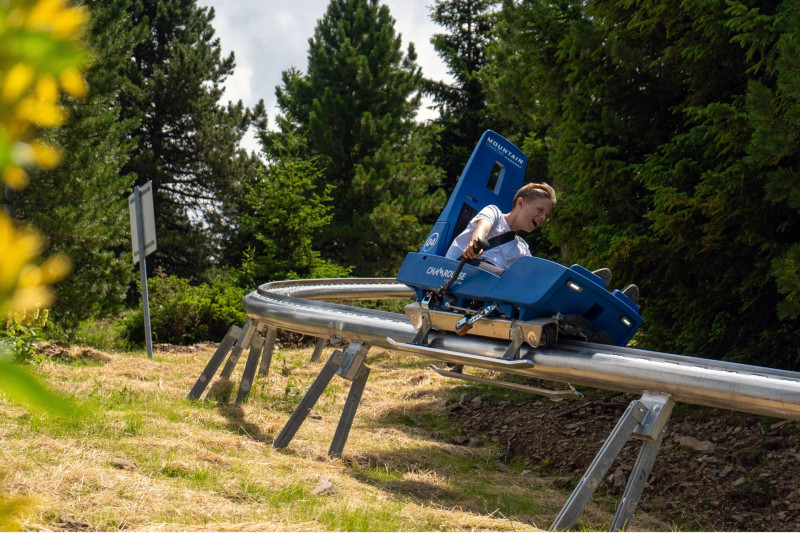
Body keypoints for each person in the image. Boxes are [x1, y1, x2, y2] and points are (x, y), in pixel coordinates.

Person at [445, 182, 639, 303]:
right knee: (513, 280)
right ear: (520, 203)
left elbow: (532, 274)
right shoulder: (494, 212)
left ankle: (590, 295)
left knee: (537, 280)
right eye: (539, 210)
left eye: (546, 214)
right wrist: (476, 242)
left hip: (493, 282)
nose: (543, 217)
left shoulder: (521, 247)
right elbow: (482, 228)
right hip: (464, 269)